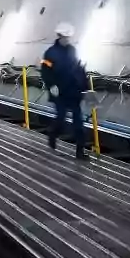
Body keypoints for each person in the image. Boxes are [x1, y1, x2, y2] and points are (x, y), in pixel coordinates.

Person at [41, 22, 89, 159]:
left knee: (78, 122)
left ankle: (80, 152)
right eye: (65, 37)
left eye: (69, 37)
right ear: (59, 36)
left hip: (73, 92)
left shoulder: (72, 50)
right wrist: (51, 85)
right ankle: (53, 134)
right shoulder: (50, 53)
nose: (67, 39)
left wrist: (85, 87)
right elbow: (45, 71)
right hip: (59, 93)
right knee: (61, 118)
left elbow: (78, 68)